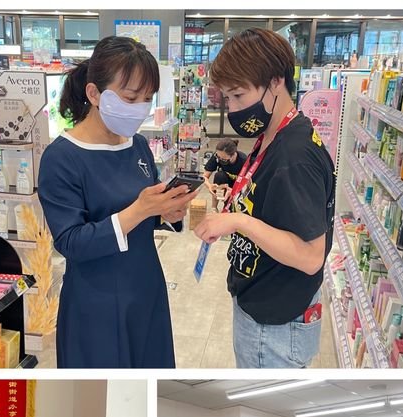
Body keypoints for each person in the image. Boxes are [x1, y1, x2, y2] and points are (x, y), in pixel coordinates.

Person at [38, 36, 197, 368]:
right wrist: (139, 210)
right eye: (130, 97)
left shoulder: (137, 146)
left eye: (147, 99)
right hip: (95, 303)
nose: (140, 107)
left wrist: (166, 212)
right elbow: (70, 241)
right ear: (94, 93)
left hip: (146, 288)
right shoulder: (62, 158)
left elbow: (147, 211)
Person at [194, 28, 336, 368]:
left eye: (238, 95)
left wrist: (238, 221)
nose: (233, 108)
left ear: (275, 81)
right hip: (263, 304)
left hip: (274, 325)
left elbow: (310, 257)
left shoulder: (294, 156)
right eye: (227, 98)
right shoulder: (274, 133)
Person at [202, 138, 247, 209]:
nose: (220, 159)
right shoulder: (217, 156)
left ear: (233, 155)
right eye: (218, 157)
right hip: (225, 183)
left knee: (232, 209)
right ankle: (214, 207)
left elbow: (249, 185)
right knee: (219, 175)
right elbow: (204, 176)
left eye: (223, 159)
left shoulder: (244, 161)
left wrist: (234, 192)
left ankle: (229, 205)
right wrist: (209, 186)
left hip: (239, 187)